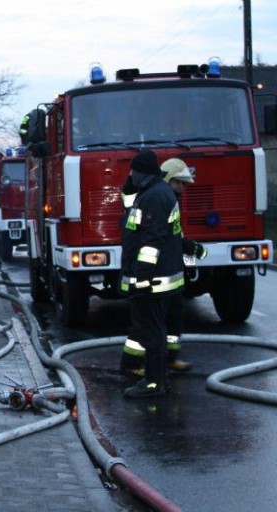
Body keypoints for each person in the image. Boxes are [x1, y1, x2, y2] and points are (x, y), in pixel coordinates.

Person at [120, 158, 207, 377]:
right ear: (167, 178)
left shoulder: (165, 198)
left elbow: (171, 237)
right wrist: (143, 278)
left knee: (173, 319)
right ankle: (134, 365)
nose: (183, 188)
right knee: (146, 325)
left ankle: (168, 361)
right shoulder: (154, 198)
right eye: (179, 183)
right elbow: (152, 239)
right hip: (154, 275)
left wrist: (190, 247)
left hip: (170, 276)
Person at [119, 151, 184, 398]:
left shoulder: (155, 197)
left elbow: (152, 242)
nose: (131, 175)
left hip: (153, 280)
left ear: (142, 172)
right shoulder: (151, 192)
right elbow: (127, 202)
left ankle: (154, 382)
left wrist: (143, 279)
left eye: (134, 171)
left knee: (152, 330)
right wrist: (130, 183)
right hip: (156, 278)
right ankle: (157, 379)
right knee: (150, 328)